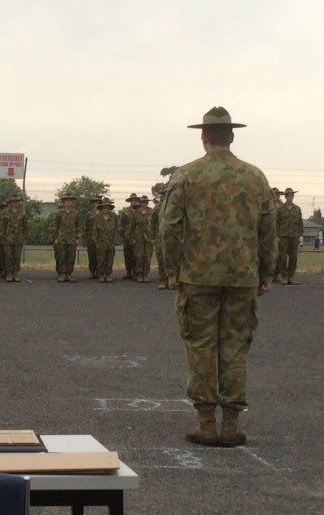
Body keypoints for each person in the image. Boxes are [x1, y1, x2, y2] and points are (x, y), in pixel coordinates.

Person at [159, 106, 277, 448]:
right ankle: (231, 425)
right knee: (236, 345)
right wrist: (266, 273)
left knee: (200, 344)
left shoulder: (187, 175)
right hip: (242, 277)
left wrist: (171, 270)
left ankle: (206, 422)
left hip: (197, 275)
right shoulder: (254, 177)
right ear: (232, 136)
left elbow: (169, 226)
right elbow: (268, 230)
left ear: (203, 138)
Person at [275, 187, 304, 285]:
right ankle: (284, 276)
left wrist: (300, 234)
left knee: (293, 257)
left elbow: (300, 222)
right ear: (285, 197)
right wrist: (277, 235)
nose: (290, 197)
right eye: (288, 196)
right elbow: (277, 223)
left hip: (294, 235)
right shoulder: (280, 209)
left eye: (291, 195)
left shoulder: (297, 209)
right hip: (283, 235)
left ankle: (291, 276)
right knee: (282, 257)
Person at [52, 194, 81, 282]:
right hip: (61, 239)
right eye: (66, 201)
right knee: (61, 257)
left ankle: (69, 274)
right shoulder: (59, 213)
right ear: (63, 202)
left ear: (72, 203)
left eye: (70, 201)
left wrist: (78, 238)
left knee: (71, 257)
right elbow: (55, 226)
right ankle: (62, 274)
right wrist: (55, 238)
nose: (68, 203)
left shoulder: (75, 213)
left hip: (72, 239)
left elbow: (78, 226)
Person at [1, 195, 28, 282]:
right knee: (9, 256)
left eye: (17, 202)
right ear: (11, 203)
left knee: (16, 257)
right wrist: (2, 237)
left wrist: (25, 237)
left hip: (18, 238)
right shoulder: (6, 213)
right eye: (14, 202)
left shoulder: (22, 214)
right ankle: (9, 273)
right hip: (8, 238)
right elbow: (2, 226)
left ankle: (15, 273)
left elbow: (25, 227)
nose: (15, 204)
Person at [91, 199, 118, 283]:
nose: (106, 210)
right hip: (101, 242)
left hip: (110, 242)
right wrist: (96, 242)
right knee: (101, 260)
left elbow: (116, 230)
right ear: (101, 208)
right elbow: (95, 231)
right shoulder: (97, 217)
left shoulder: (113, 217)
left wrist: (115, 242)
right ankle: (101, 275)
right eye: (104, 208)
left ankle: (108, 274)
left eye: (107, 208)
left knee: (110, 260)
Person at [129, 195, 154, 283]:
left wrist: (153, 238)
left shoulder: (151, 212)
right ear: (140, 203)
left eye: (145, 202)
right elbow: (131, 227)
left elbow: (154, 225)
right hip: (138, 238)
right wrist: (132, 238)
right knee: (139, 257)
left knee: (147, 257)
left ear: (147, 203)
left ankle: (145, 274)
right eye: (142, 202)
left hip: (149, 238)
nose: (144, 204)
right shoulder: (136, 213)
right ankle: (139, 274)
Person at [119, 193, 140, 280]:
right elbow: (122, 225)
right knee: (127, 255)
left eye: (135, 200)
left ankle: (136, 272)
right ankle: (128, 272)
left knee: (136, 255)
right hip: (127, 237)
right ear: (130, 201)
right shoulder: (125, 212)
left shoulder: (140, 211)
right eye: (132, 200)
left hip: (138, 236)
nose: (134, 202)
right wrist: (123, 236)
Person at [84, 196, 102, 279]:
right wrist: (85, 238)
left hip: (101, 237)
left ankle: (99, 271)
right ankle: (92, 271)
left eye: (98, 202)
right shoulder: (89, 214)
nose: (97, 204)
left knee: (100, 255)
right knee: (91, 255)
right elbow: (86, 226)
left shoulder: (103, 213)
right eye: (95, 202)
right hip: (91, 237)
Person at [0, 200, 9, 278]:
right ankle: (0, 270)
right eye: (3, 207)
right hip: (0, 239)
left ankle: (7, 271)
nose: (4, 209)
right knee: (0, 255)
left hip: (7, 238)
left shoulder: (9, 215)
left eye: (5, 207)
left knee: (7, 255)